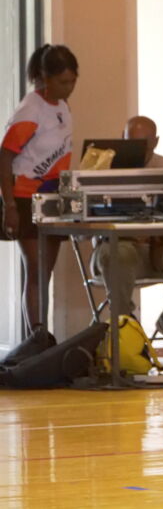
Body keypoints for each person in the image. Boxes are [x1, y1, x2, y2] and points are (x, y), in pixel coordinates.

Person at [95, 115, 163, 362]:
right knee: (118, 253)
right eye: (130, 142)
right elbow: (86, 218)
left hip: (158, 248)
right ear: (121, 139)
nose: (137, 149)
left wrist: (159, 233)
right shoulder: (102, 167)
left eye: (143, 144)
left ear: (155, 142)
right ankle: (127, 329)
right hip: (117, 247)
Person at [1, 45, 78, 333]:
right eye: (62, 82)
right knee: (36, 269)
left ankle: (41, 334)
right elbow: (5, 156)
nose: (68, 88)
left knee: (45, 272)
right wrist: (9, 205)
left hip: (54, 195)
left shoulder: (62, 105)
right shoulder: (30, 110)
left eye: (72, 81)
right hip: (25, 196)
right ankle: (36, 335)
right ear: (45, 78)